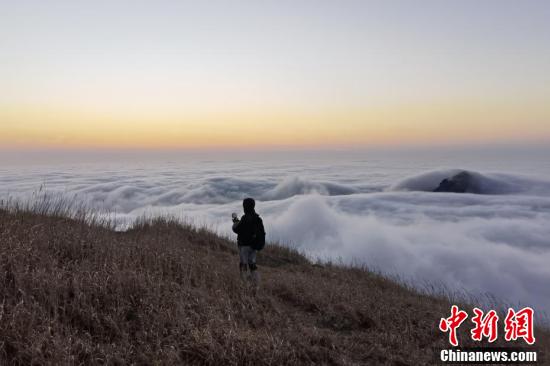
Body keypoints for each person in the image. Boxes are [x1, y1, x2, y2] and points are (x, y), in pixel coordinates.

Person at [232, 197, 265, 284]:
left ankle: (244, 284)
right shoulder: (258, 219)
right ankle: (256, 284)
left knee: (243, 265)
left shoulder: (244, 218)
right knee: (252, 265)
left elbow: (237, 229)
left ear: (244, 206)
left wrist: (235, 222)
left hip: (244, 246)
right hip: (253, 246)